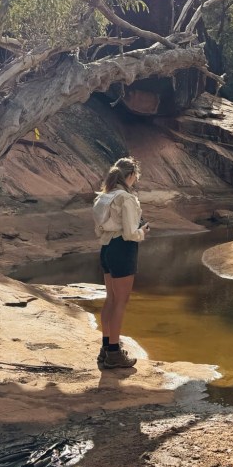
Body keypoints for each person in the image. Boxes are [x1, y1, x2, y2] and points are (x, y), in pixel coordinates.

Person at [92, 157, 150, 369]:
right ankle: (114, 354)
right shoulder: (126, 198)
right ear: (131, 175)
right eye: (136, 177)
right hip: (123, 249)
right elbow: (130, 233)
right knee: (120, 302)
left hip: (107, 248)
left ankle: (106, 348)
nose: (135, 180)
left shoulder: (104, 196)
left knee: (110, 299)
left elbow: (100, 228)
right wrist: (142, 231)